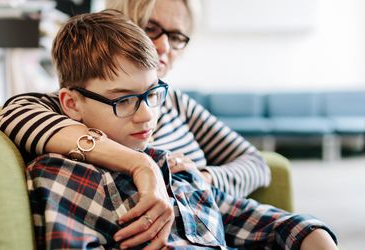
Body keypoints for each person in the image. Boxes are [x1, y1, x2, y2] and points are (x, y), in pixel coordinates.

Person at [26, 10, 338, 249]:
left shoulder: (172, 164)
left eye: (153, 94)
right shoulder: (67, 174)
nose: (147, 116)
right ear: (71, 103)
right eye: (123, 100)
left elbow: (261, 220)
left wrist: (314, 235)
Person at [0, 0, 270, 247]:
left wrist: (200, 179)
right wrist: (142, 164)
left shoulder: (174, 100)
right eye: (152, 29)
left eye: (176, 37)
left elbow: (255, 164)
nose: (163, 46)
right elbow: (16, 114)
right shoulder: (76, 104)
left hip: (207, 222)